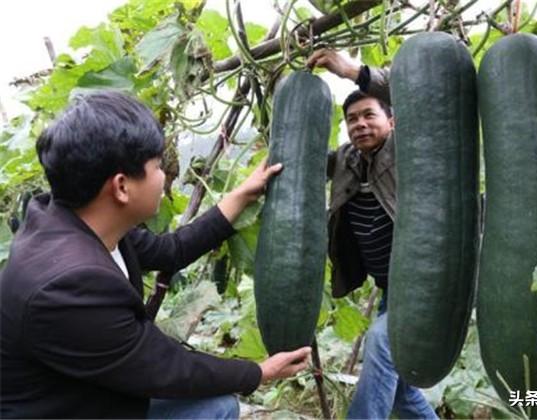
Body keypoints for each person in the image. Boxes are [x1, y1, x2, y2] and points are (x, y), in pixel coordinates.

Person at [0, 91, 311, 419]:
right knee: (214, 409)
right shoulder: (70, 284)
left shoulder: (82, 221)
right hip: (65, 410)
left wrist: (241, 195)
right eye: (158, 166)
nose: (164, 176)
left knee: (216, 405)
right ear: (122, 187)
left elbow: (171, 251)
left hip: (87, 391)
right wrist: (259, 373)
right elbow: (164, 366)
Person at [308, 49, 439, 419]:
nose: (360, 124)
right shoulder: (348, 160)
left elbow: (419, 98)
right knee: (400, 393)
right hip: (391, 287)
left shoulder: (409, 150)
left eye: (369, 115)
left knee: (381, 343)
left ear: (393, 121)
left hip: (424, 282)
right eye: (352, 119)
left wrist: (353, 72)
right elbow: (303, 159)